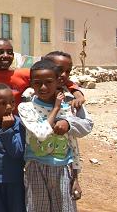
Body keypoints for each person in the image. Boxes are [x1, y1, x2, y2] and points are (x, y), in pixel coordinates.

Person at [18, 59, 85, 212]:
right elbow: (41, 134)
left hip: (62, 168)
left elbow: (73, 144)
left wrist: (75, 178)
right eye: (37, 83)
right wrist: (55, 108)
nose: (43, 87)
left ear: (57, 82)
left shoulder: (68, 109)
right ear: (31, 83)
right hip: (35, 167)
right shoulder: (26, 108)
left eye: (48, 82)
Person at [43, 51, 93, 200]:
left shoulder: (72, 99)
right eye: (59, 70)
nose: (64, 75)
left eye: (68, 71)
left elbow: (88, 124)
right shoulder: (30, 96)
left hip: (66, 167)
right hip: (35, 166)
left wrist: (69, 123)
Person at [0, 38, 84, 111]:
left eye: (10, 52)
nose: (6, 55)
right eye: (0, 52)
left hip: (20, 124)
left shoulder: (24, 74)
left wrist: (79, 96)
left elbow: (61, 80)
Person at [0, 83, 26, 212]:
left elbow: (17, 152)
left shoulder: (19, 123)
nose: (9, 107)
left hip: (15, 180)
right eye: (2, 103)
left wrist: (7, 130)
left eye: (12, 102)